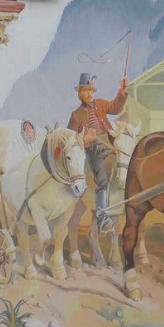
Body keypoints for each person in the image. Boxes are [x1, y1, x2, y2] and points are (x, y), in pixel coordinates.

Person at [67, 73, 128, 231]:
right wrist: (85, 139)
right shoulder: (76, 115)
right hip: (93, 150)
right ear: (80, 94)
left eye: (90, 90)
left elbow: (116, 107)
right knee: (102, 179)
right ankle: (102, 218)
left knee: (127, 161)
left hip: (110, 143)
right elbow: (71, 142)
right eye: (85, 91)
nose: (89, 94)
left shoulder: (101, 104)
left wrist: (122, 92)